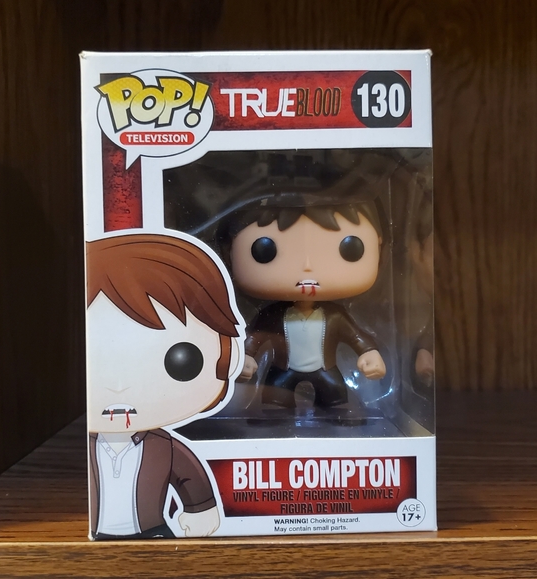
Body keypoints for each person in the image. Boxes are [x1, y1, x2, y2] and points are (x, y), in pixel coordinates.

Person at [86, 234, 242, 539]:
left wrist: (201, 510)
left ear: (227, 356)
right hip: (95, 533)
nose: (120, 387)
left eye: (180, 361)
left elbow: (190, 478)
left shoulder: (164, 446)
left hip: (154, 535)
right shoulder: (82, 447)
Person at [223, 201, 386, 423]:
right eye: (265, 250)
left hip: (326, 371)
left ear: (379, 246)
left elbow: (355, 336)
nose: (307, 267)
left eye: (349, 248)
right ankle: (274, 414)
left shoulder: (335, 315)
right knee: (273, 406)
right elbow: (255, 336)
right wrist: (246, 356)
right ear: (230, 252)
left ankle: (337, 412)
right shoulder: (273, 314)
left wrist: (369, 352)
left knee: (337, 403)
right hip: (283, 371)